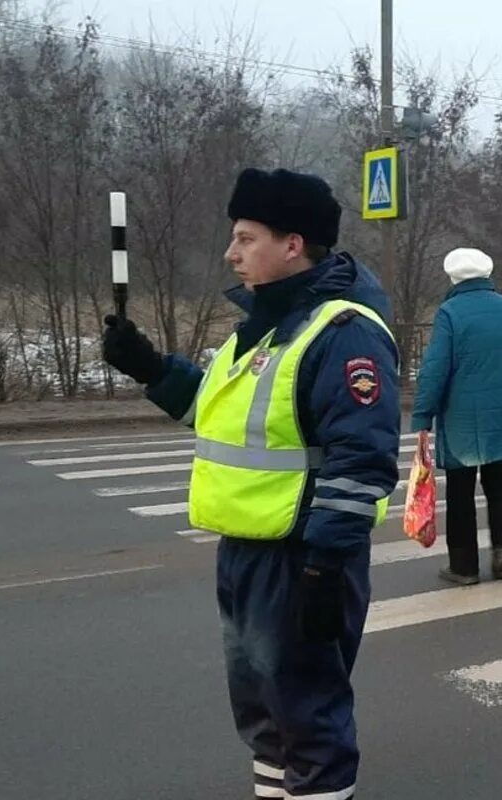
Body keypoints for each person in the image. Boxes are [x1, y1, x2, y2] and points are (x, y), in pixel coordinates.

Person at [100, 167, 400, 800]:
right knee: (265, 714)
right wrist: (150, 367)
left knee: (308, 715)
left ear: (293, 243)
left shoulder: (343, 333)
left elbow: (361, 460)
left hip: (302, 557)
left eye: (245, 237)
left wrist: (325, 565)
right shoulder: (260, 328)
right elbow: (219, 418)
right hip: (245, 551)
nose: (231, 253)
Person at [410, 247, 502, 586]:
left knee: (460, 490)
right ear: (488, 275)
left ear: (453, 278)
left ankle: (464, 566)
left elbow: (434, 369)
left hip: (463, 420)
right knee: (499, 481)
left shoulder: (451, 313)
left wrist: (423, 415)